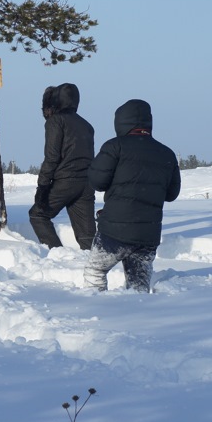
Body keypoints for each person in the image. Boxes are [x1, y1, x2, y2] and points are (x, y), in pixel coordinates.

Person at [84, 99, 181, 293]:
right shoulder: (167, 153)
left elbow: (97, 182)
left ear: (120, 122)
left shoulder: (114, 147)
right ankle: (139, 315)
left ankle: (94, 307)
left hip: (113, 231)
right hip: (148, 235)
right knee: (138, 284)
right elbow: (172, 194)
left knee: (95, 270)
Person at [29, 83, 96, 250]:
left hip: (65, 181)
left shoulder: (55, 122)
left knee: (38, 215)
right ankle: (96, 269)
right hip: (87, 183)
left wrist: (42, 187)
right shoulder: (86, 125)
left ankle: (57, 254)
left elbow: (51, 157)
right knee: (87, 236)